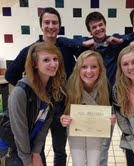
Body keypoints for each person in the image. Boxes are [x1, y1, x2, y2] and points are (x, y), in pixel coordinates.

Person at [5, 7, 81, 166]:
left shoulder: (66, 49)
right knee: (33, 148)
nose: (51, 26)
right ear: (41, 26)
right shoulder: (30, 51)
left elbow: (74, 78)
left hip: (59, 109)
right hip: (37, 110)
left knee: (59, 149)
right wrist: (30, 92)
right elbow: (10, 74)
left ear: (59, 26)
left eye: (55, 22)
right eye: (47, 22)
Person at [77, 11, 134, 165]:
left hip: (109, 102)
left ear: (105, 25)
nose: (98, 29)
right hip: (87, 100)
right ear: (89, 31)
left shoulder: (115, 44)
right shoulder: (84, 47)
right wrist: (84, 44)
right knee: (85, 143)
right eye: (94, 27)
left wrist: (120, 39)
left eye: (101, 25)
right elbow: (64, 41)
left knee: (103, 145)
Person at [0, 42, 67, 166]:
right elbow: (19, 131)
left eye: (55, 59)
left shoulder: (53, 89)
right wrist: (27, 160)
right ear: (35, 64)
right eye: (46, 60)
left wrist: (36, 152)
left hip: (31, 144)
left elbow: (45, 124)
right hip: (11, 146)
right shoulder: (20, 92)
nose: (53, 64)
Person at [60, 50, 116, 166]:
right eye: (84, 67)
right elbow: (62, 110)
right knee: (78, 162)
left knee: (95, 162)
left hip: (96, 130)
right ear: (78, 69)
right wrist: (63, 118)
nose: (89, 71)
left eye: (94, 67)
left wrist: (111, 119)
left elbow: (109, 109)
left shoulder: (105, 86)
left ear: (100, 69)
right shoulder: (70, 85)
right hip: (76, 129)